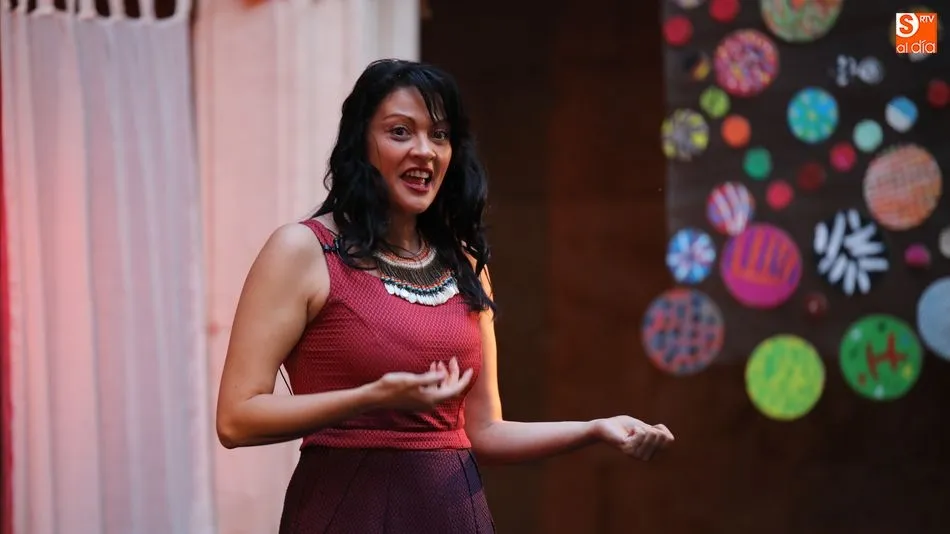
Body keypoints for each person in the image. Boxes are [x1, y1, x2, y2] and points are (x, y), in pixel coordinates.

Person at [215, 58, 675, 534]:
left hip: (454, 515)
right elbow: (237, 417)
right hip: (348, 511)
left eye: (439, 135)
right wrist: (371, 397)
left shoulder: (464, 264)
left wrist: (595, 428)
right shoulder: (305, 250)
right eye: (400, 132)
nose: (425, 151)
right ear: (359, 144)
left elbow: (484, 432)